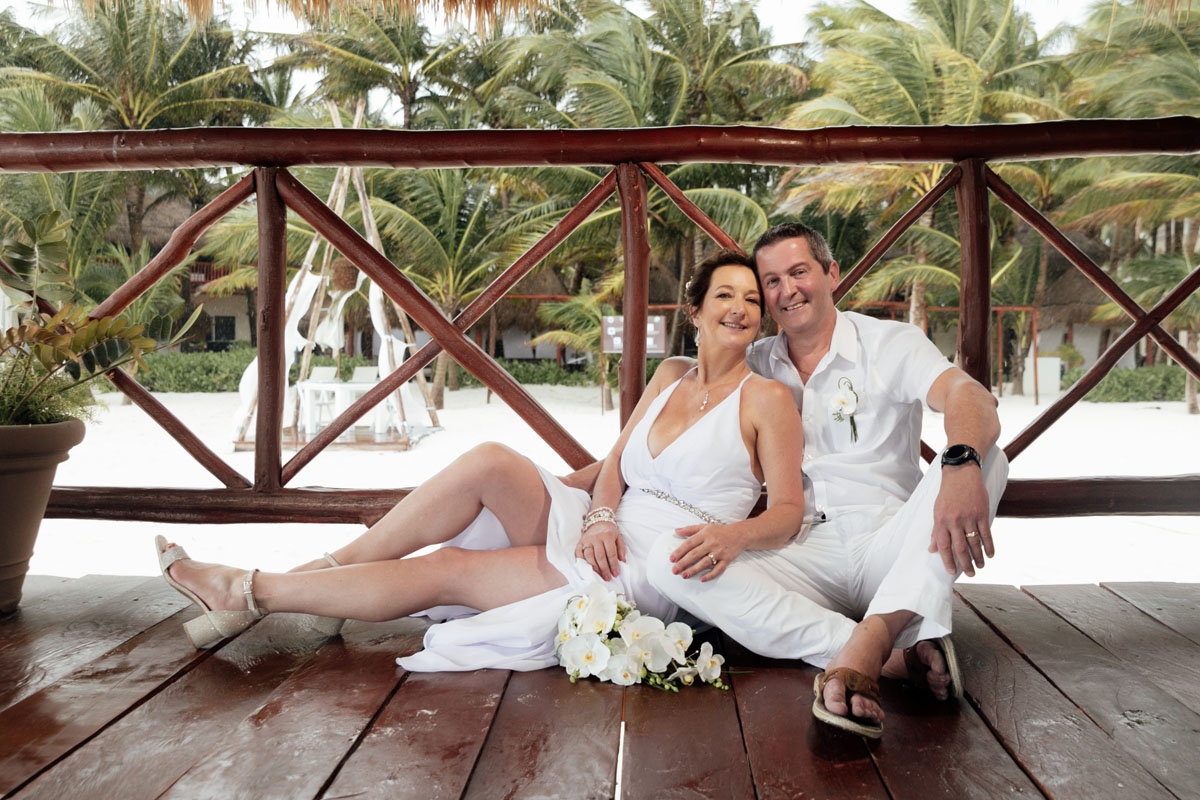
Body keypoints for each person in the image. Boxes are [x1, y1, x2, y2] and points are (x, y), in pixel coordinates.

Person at [156, 250, 808, 674]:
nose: (742, 308)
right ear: (694, 310)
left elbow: (785, 513)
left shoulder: (768, 399)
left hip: (645, 566)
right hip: (603, 526)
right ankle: (315, 581)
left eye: (753, 299)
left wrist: (730, 535)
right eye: (726, 295)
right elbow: (617, 463)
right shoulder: (668, 373)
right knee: (492, 460)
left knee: (448, 568)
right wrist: (597, 513)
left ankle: (251, 590)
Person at [645, 222, 1009, 738]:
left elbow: (970, 397)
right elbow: (688, 383)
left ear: (831, 273)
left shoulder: (889, 342)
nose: (787, 290)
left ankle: (875, 635)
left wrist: (962, 461)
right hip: (801, 550)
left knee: (991, 459)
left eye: (799, 272)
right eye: (771, 281)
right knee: (668, 560)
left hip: (892, 542)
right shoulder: (755, 363)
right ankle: (880, 649)